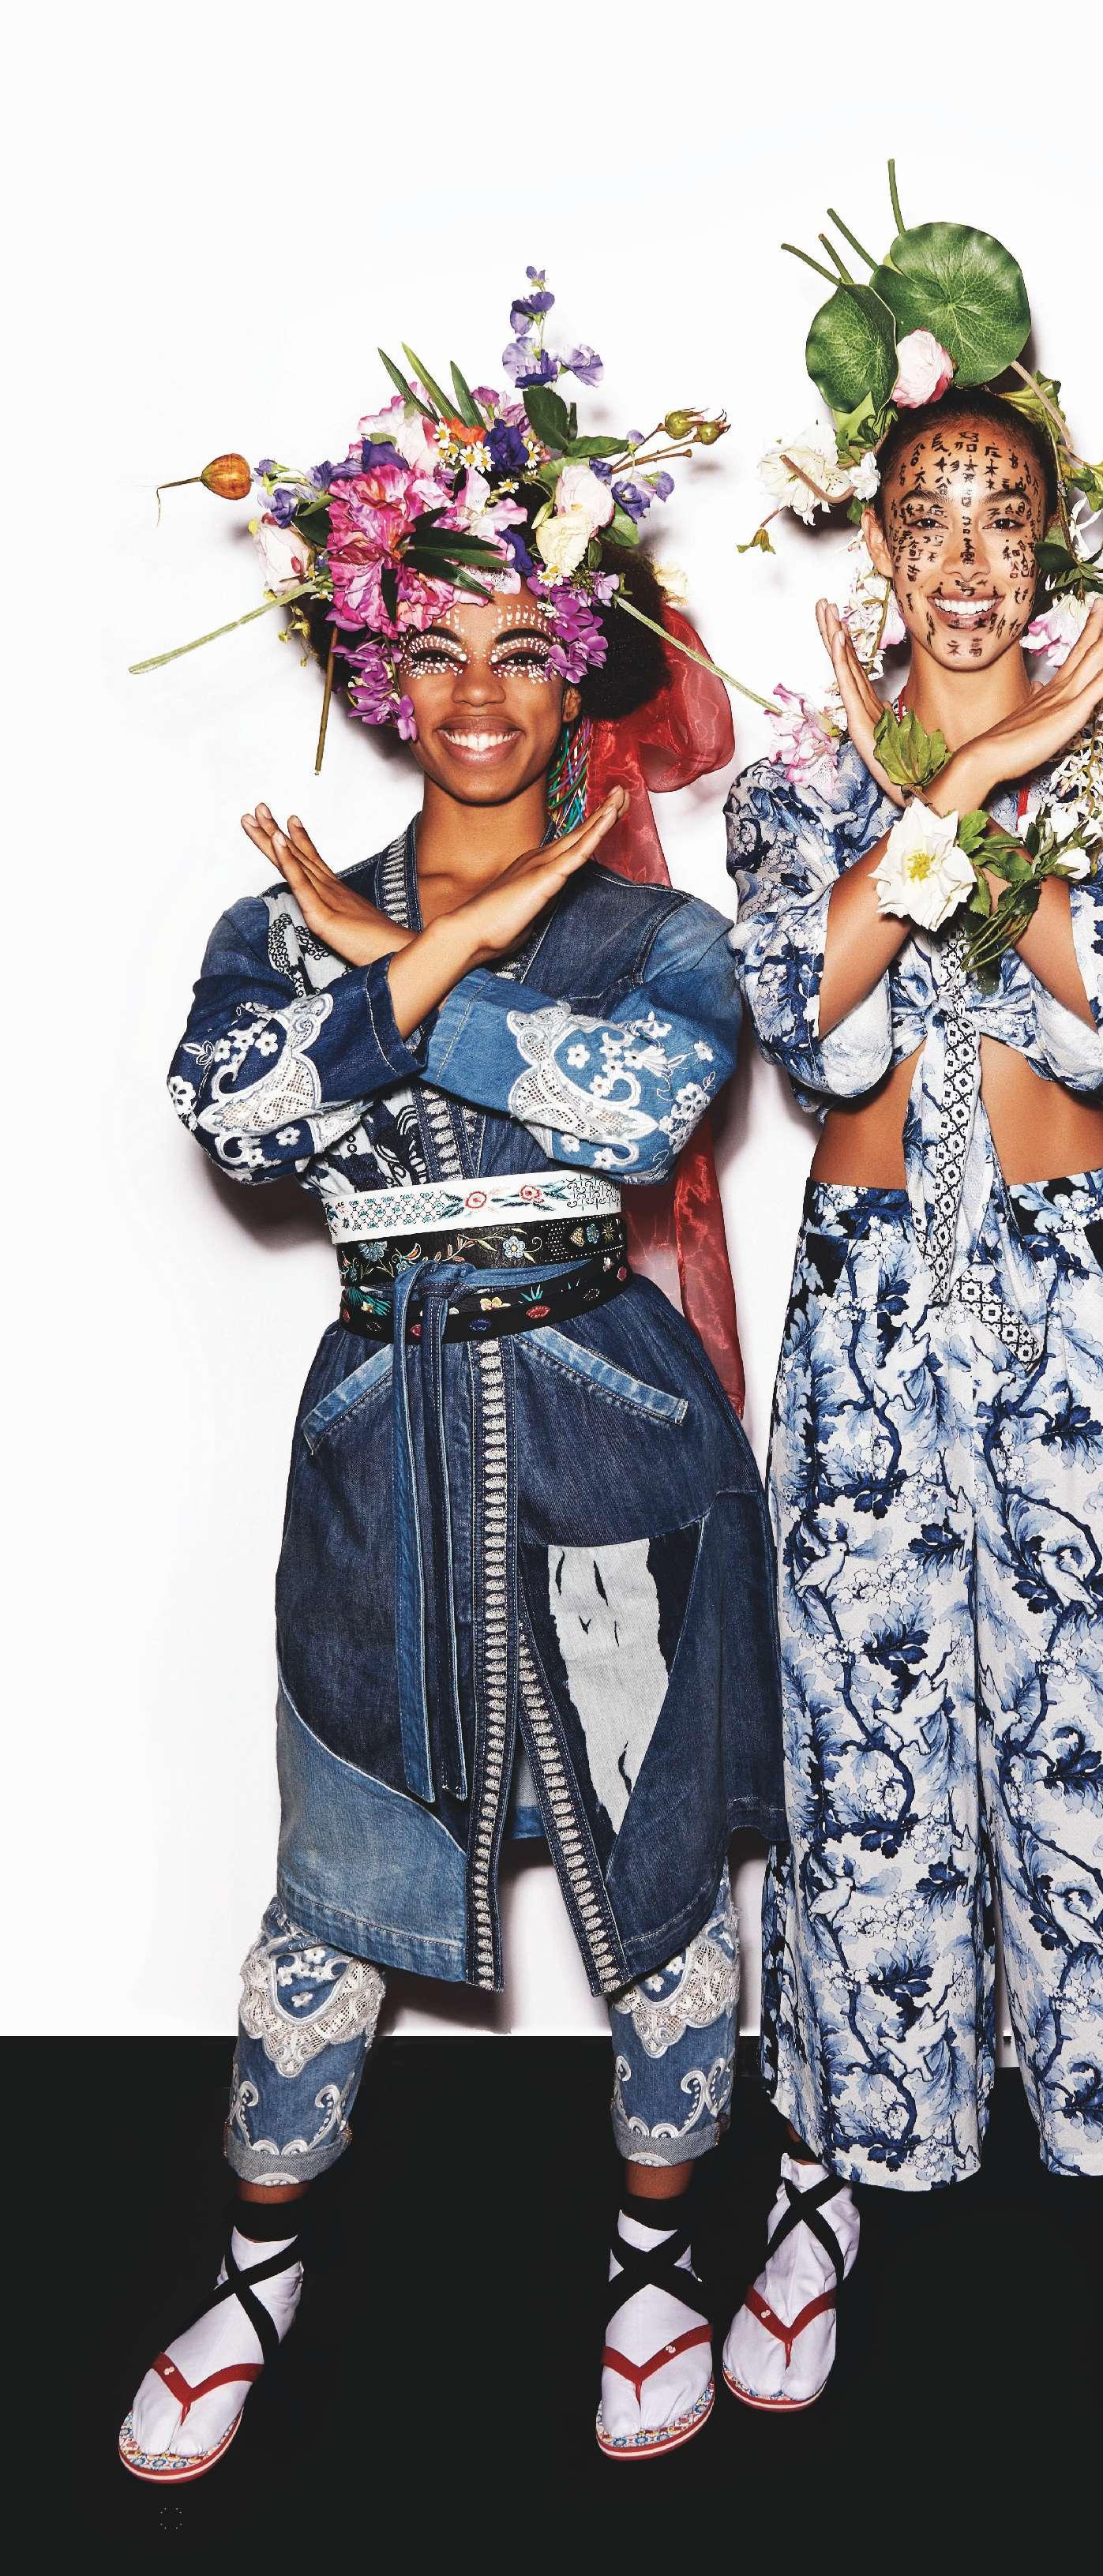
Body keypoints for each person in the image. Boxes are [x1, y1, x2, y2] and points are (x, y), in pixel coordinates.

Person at [121, 282, 783, 2480]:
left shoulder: (666, 937)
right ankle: (253, 2265)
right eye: (438, 649)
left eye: (523, 648)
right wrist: (441, 954)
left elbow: (634, 1112)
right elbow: (237, 1119)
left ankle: (656, 2255)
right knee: (332, 1888)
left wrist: (404, 978)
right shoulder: (265, 922)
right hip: (378, 1443)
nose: (480, 691)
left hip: (616, 1437)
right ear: (377, 673)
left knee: (654, 1882)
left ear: (580, 669)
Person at [720, 175, 1103, 2411]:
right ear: (877, 543)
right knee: (861, 1735)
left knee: (1100, 1714)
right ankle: (837, 2163)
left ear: (1052, 550)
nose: (960, 559)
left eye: (1000, 520)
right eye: (923, 518)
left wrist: (992, 778)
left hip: (1067, 1296)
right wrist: (943, 789)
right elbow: (809, 1016)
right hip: (863, 1297)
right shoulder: (787, 800)